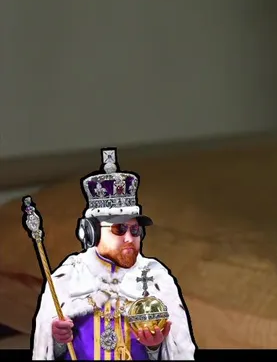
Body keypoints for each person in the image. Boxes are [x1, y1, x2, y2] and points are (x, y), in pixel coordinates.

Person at [31, 149, 197, 360]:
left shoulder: (156, 278)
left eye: (135, 230)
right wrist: (57, 339)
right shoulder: (68, 278)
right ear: (91, 233)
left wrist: (154, 347)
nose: (129, 238)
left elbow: (175, 352)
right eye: (119, 229)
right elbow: (46, 351)